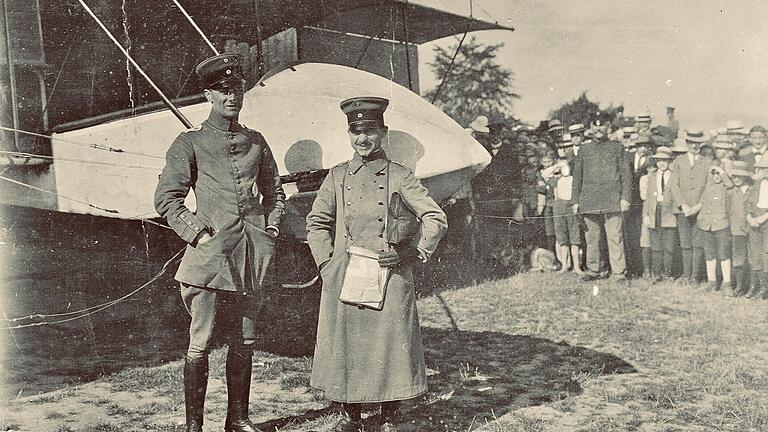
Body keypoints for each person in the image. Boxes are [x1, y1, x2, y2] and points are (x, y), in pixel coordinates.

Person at [154, 53, 286, 432]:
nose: (232, 96)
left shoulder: (256, 142)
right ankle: (194, 427)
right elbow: (167, 198)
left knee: (245, 340)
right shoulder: (190, 143)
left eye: (237, 89)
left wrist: (271, 230)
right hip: (210, 261)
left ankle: (238, 420)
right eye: (223, 90)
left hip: (251, 258)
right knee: (201, 343)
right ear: (208, 94)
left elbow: (275, 192)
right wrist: (197, 232)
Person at [306, 96, 448, 431]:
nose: (363, 139)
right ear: (349, 134)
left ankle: (389, 411)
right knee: (349, 344)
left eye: (369, 131)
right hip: (346, 274)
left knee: (389, 343)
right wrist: (328, 264)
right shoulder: (338, 176)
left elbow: (434, 217)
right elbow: (316, 222)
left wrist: (412, 253)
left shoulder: (399, 175)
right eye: (356, 132)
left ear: (383, 132)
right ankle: (351, 412)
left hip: (390, 272)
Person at [571, 121, 632, 281]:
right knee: (592, 238)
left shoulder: (617, 148)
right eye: (595, 126)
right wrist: (575, 201)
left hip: (613, 200)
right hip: (589, 200)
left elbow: (626, 175)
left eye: (602, 125)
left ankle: (619, 272)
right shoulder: (584, 150)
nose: (599, 128)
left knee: (614, 237)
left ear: (608, 128)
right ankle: (594, 269)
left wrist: (625, 197)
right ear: (590, 129)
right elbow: (577, 177)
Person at [669, 130, 712, 284]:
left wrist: (700, 205)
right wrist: (683, 205)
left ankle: (695, 277)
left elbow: (710, 186)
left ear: (701, 144)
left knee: (698, 244)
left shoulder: (708, 162)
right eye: (691, 142)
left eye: (697, 143)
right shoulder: (678, 162)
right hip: (683, 210)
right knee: (686, 243)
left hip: (701, 209)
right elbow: (674, 185)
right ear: (687, 143)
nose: (694, 145)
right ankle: (686, 275)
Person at [696, 165, 734, 292]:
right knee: (710, 255)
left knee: (724, 255)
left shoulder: (726, 187)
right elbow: (701, 203)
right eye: (714, 174)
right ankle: (711, 282)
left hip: (721, 225)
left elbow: (730, 184)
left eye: (719, 174)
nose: (716, 177)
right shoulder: (708, 187)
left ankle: (727, 284)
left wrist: (723, 172)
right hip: (707, 225)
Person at [643, 147, 677, 281]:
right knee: (656, 245)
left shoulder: (674, 175)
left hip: (669, 213)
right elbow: (647, 198)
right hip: (654, 211)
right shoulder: (651, 176)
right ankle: (656, 273)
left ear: (669, 161)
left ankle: (667, 273)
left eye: (665, 160)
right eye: (659, 161)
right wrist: (645, 215)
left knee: (669, 245)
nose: (662, 163)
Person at [726, 161, 753, 296]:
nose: (736, 179)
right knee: (738, 258)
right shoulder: (731, 193)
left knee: (753, 258)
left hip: (752, 229)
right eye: (734, 176)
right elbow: (728, 211)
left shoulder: (753, 190)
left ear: (746, 177)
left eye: (739, 176)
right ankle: (739, 286)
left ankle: (752, 286)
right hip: (736, 229)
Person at [551, 160, 583, 273]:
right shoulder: (556, 180)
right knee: (562, 239)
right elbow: (546, 175)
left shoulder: (574, 179)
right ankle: (564, 265)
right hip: (559, 208)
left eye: (566, 167)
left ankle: (577, 266)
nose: (565, 169)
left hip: (571, 206)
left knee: (575, 238)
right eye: (562, 167)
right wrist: (556, 165)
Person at [745, 154, 768, 300]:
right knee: (754, 253)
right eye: (763, 169)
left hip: (765, 218)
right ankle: (754, 286)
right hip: (755, 218)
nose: (765, 172)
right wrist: (749, 217)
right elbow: (748, 203)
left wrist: (764, 217)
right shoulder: (756, 185)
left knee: (766, 254)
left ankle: (764, 288)